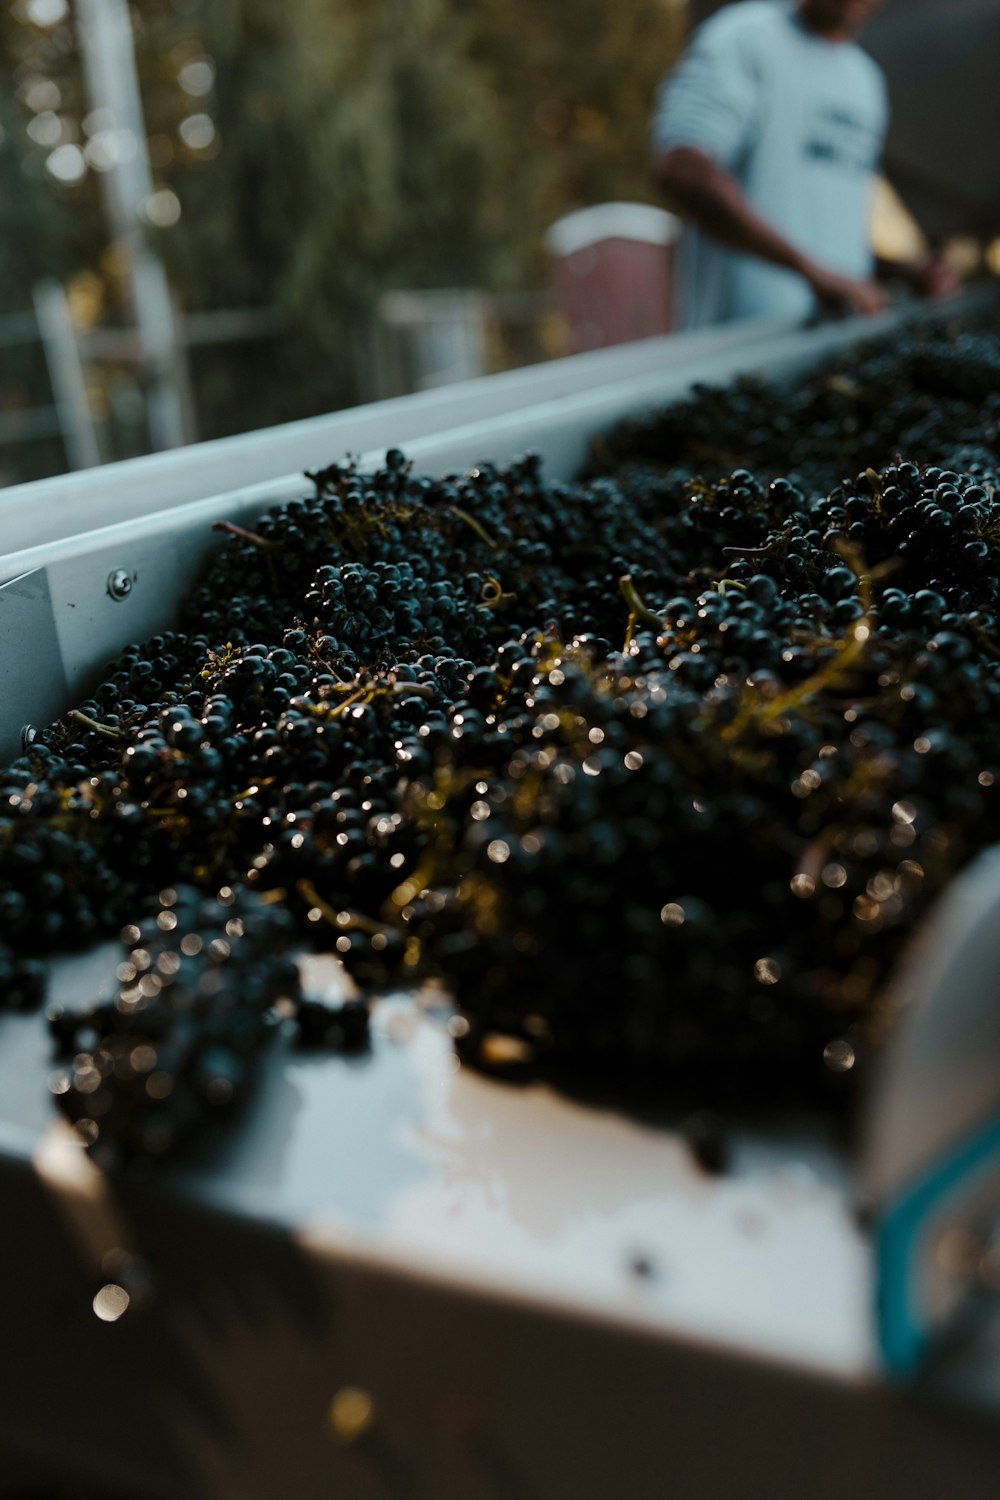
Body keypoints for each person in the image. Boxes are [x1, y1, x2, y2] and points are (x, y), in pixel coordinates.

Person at [651, 0, 957, 329]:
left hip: (829, 342)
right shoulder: (744, 38)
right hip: (739, 346)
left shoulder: (865, 81)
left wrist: (902, 274)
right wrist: (810, 272)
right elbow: (683, 171)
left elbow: (829, 239)